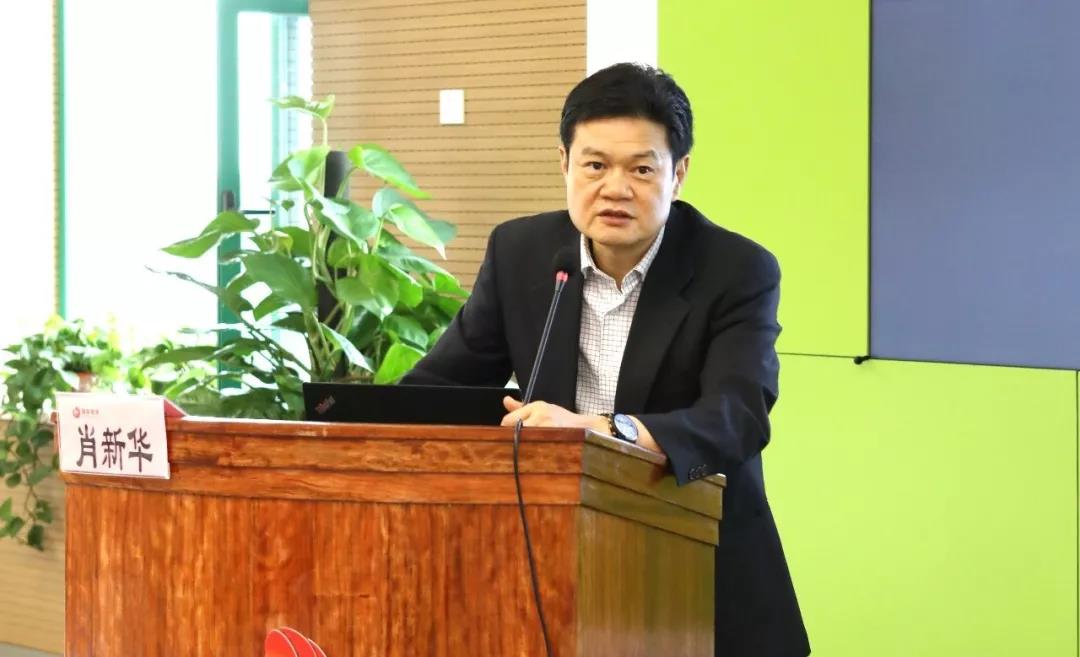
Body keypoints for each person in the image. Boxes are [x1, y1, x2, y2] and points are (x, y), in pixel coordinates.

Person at [402, 62, 810, 657]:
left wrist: (599, 431)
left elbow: (736, 416)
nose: (615, 189)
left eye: (641, 169)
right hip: (551, 571)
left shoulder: (736, 269)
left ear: (678, 174)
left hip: (696, 566)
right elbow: (440, 391)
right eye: (595, 165)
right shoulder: (520, 253)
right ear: (564, 163)